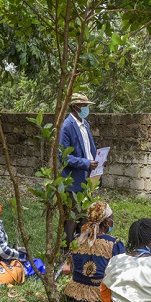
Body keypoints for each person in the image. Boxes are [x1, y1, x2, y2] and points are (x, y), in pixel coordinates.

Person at [62, 201, 125, 302]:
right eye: (112, 218)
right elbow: (121, 274)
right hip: (99, 296)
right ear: (106, 222)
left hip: (73, 293)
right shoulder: (114, 244)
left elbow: (72, 268)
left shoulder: (77, 239)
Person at [59, 92, 99, 247]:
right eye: (84, 106)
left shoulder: (85, 124)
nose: (87, 108)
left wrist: (97, 160)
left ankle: (80, 250)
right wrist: (86, 163)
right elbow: (64, 156)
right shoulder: (67, 126)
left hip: (86, 179)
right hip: (73, 180)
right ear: (75, 106)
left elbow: (88, 148)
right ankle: (66, 252)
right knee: (70, 219)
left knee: (84, 216)